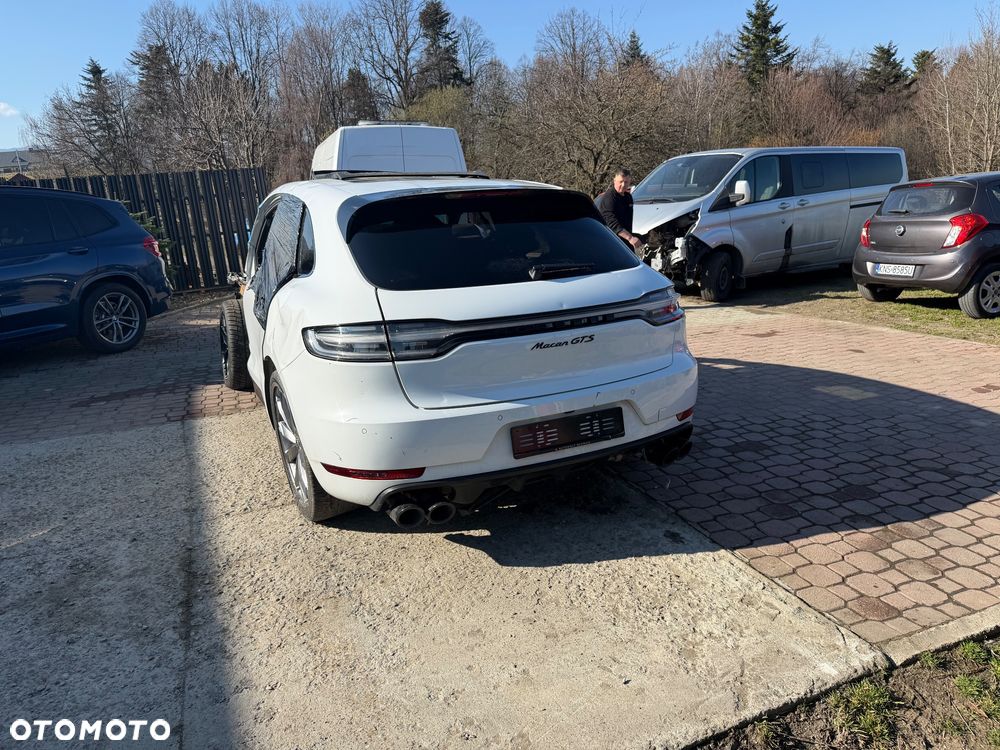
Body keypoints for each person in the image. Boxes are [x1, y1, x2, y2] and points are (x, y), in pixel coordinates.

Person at [595, 168, 642, 251]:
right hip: (611, 242)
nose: (623, 185)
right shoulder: (609, 197)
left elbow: (627, 222)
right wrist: (630, 238)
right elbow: (610, 221)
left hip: (626, 243)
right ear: (614, 181)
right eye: (620, 181)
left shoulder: (628, 197)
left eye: (626, 182)